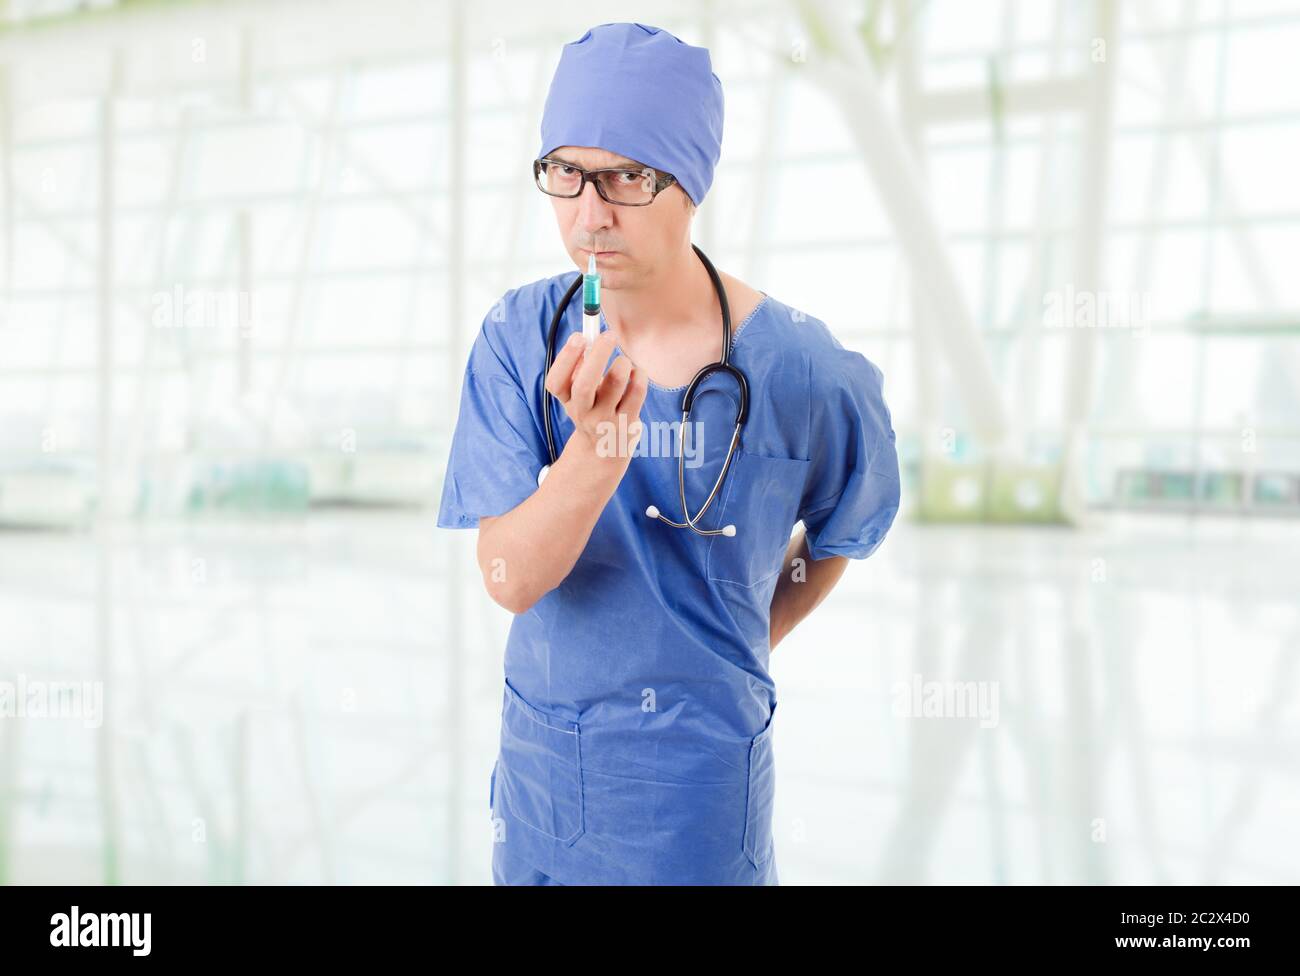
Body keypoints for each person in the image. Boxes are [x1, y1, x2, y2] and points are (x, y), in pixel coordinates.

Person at [438, 22, 901, 885]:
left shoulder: (804, 369)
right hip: (543, 774)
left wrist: (745, 638)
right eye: (565, 173)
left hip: (696, 789)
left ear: (692, 184)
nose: (589, 214)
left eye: (627, 177)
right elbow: (508, 579)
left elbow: (845, 529)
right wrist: (595, 457)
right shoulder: (520, 338)